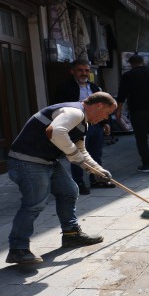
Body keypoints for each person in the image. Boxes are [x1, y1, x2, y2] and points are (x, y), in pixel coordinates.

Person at [6, 92, 117, 264]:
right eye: (107, 113)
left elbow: (82, 151)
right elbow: (55, 131)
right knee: (35, 203)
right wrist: (76, 158)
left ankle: (71, 234)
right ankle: (18, 249)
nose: (105, 118)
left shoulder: (82, 123)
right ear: (99, 105)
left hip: (46, 160)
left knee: (69, 190)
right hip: (26, 161)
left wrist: (97, 170)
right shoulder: (75, 112)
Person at [54, 59, 114, 195]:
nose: (84, 73)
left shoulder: (94, 87)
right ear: (72, 71)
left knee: (96, 153)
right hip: (76, 125)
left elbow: (104, 106)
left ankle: (97, 178)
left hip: (95, 125)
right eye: (80, 70)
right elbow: (59, 107)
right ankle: (78, 182)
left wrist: (105, 123)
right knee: (78, 154)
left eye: (86, 70)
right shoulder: (64, 87)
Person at [116, 54, 149, 173]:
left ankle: (147, 165)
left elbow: (122, 94)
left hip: (137, 111)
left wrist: (119, 110)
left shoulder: (127, 76)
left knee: (141, 139)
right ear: (143, 62)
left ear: (131, 64)